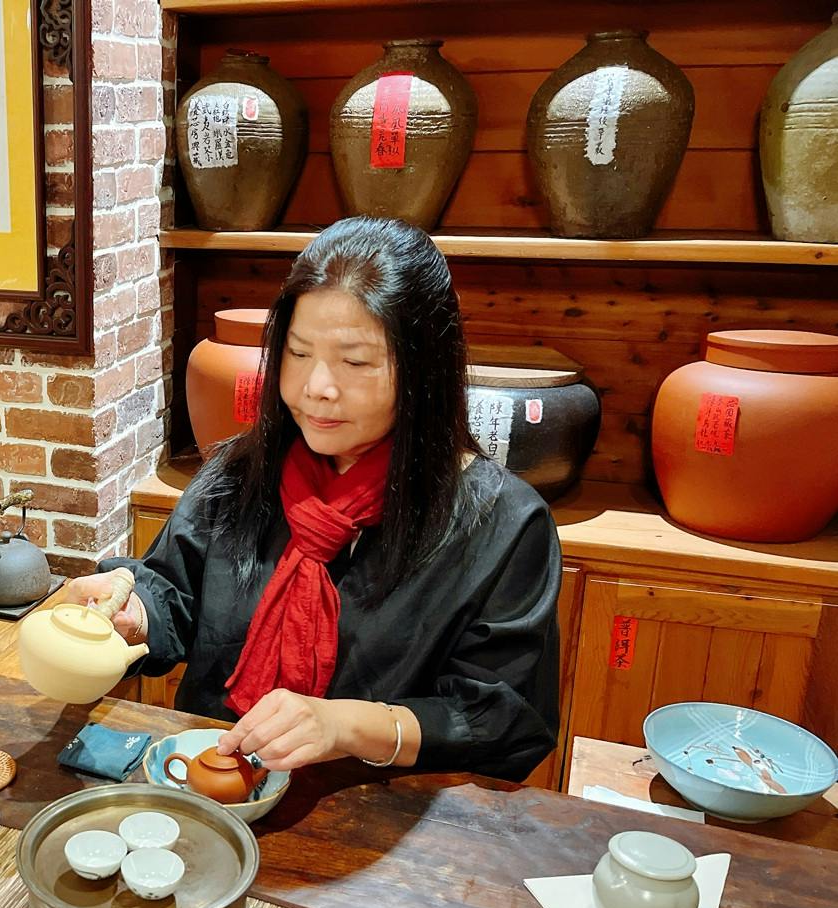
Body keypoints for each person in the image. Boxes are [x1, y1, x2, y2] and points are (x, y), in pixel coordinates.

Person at [69, 217, 561, 782]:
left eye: (355, 362)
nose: (316, 388)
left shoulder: (502, 524)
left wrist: (344, 725)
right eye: (299, 354)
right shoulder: (242, 472)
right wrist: (133, 614)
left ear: (423, 367)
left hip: (382, 809)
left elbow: (502, 718)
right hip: (219, 782)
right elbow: (173, 593)